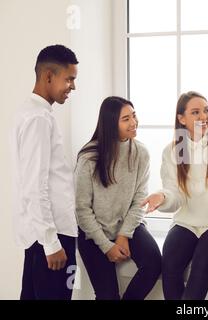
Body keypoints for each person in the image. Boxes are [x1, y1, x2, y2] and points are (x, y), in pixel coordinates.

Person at [141, 91, 208, 300]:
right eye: (195, 112)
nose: (203, 117)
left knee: (202, 263)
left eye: (206, 110)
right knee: (169, 264)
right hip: (186, 221)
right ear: (182, 118)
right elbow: (174, 194)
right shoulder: (172, 150)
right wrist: (162, 197)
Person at [75, 96, 161, 300]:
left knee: (154, 264)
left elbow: (140, 198)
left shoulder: (141, 153)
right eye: (126, 119)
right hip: (93, 232)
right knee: (107, 295)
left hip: (128, 224)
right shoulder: (88, 158)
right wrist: (107, 246)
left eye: (134, 115)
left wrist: (124, 235)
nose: (134, 122)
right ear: (111, 123)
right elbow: (82, 210)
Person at [11, 45, 79, 300]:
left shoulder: (33, 113)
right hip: (52, 238)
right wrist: (52, 243)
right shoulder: (38, 118)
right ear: (48, 76)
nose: (72, 86)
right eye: (69, 79)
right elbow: (34, 186)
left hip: (42, 236)